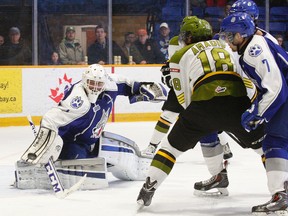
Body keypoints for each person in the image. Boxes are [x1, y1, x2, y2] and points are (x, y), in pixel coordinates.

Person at [136, 16, 265, 209]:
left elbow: (184, 98)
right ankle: (283, 185)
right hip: (239, 104)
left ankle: (148, 188)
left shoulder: (180, 54)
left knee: (169, 149)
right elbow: (246, 78)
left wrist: (197, 122)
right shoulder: (227, 46)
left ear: (189, 37)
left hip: (203, 106)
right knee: (267, 147)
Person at [17, 64, 167, 189]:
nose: (95, 87)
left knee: (125, 153)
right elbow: (50, 119)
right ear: (84, 81)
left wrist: (145, 88)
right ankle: (41, 168)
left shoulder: (111, 84)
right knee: (86, 171)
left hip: (94, 140)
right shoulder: (78, 100)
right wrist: (41, 145)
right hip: (71, 143)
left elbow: (129, 84)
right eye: (91, 83)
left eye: (98, 84)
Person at [220, 12, 288, 215]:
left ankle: (280, 196)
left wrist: (259, 112)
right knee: (278, 142)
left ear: (242, 34)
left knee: (274, 142)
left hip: (285, 98)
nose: (228, 40)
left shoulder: (254, 50)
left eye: (231, 35)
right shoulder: (256, 42)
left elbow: (275, 87)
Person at [141, 16, 234, 161]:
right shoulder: (178, 43)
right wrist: (169, 71)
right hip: (185, 80)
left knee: (211, 116)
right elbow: (174, 65)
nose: (183, 37)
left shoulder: (213, 43)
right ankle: (152, 146)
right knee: (169, 114)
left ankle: (225, 145)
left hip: (204, 83)